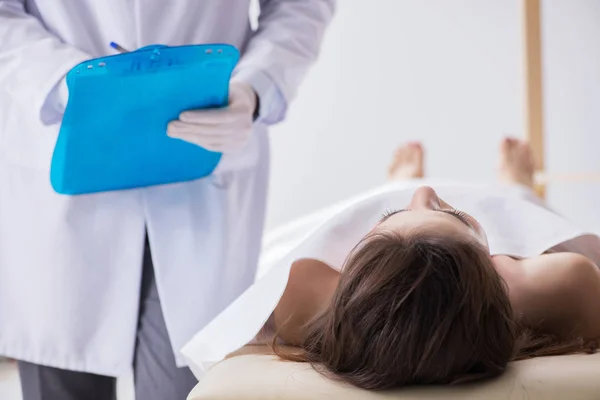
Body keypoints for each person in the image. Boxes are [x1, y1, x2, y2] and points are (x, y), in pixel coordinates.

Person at [0, 1, 335, 399]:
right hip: (63, 157)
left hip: (203, 174)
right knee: (60, 374)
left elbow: (300, 7)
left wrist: (254, 87)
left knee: (185, 384)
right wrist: (70, 82)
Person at [183, 138, 600, 390]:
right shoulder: (548, 284)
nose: (427, 190)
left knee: (382, 208)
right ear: (499, 271)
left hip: (392, 261)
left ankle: (391, 191)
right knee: (517, 212)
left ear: (347, 272)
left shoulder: (304, 295)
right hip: (491, 249)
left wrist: (393, 213)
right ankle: (517, 188)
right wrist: (499, 250)